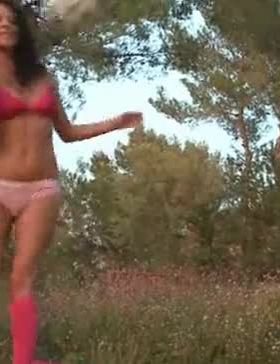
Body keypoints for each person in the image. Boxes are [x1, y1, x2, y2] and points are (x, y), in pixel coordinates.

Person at [0, 1, 143, 363]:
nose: (4, 23)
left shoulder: (43, 77)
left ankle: (23, 360)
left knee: (22, 277)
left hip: (42, 189)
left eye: (10, 18)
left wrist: (115, 122)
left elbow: (67, 132)